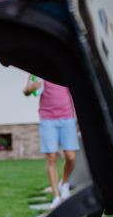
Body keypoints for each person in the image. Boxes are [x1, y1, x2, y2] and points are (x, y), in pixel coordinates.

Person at [23, 76, 79, 208]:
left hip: (67, 118)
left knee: (71, 157)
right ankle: (56, 197)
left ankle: (63, 183)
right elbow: (26, 91)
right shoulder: (37, 70)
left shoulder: (62, 69)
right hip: (47, 119)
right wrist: (29, 89)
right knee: (51, 157)